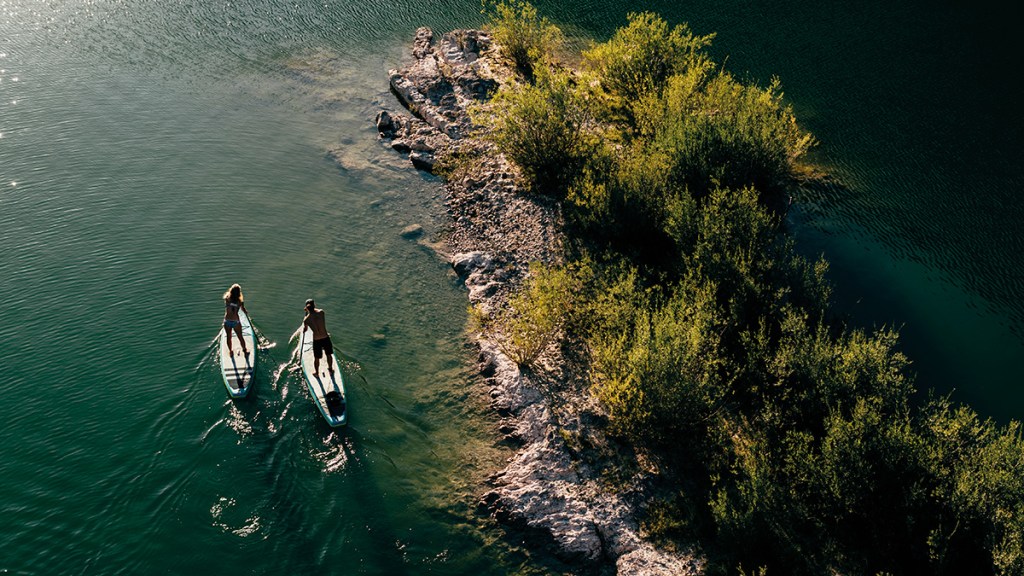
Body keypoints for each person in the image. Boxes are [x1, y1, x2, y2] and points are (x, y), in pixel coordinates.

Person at [303, 298, 334, 376]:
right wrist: (309, 309)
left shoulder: (306, 320)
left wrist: (307, 313)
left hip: (317, 340)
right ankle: (330, 369)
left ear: (306, 308)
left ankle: (317, 373)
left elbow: (305, 329)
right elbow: (315, 310)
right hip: (325, 337)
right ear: (314, 305)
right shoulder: (321, 312)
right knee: (328, 354)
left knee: (317, 358)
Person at [223, 283, 249, 357]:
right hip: (235, 322)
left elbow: (227, 296)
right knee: (240, 337)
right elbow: (243, 309)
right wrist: (246, 312)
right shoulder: (240, 302)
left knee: (229, 337)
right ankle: (245, 351)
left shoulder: (227, 299)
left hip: (227, 321)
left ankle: (230, 352)